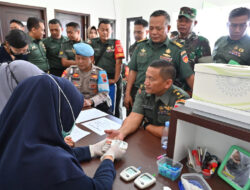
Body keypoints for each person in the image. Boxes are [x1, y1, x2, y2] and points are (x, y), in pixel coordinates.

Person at [0, 74, 126, 190]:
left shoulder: (10, 137)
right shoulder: (55, 165)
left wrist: (91, 149)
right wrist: (109, 157)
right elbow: (97, 187)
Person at [124, 10, 194, 114]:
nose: (154, 32)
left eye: (159, 28)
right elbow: (133, 71)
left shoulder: (177, 50)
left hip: (162, 100)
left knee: (156, 127)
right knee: (132, 124)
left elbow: (189, 76)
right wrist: (127, 93)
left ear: (168, 28)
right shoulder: (140, 46)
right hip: (138, 95)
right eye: (151, 28)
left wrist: (201, 102)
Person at [106, 59, 190, 140]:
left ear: (167, 83)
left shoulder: (181, 99)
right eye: (146, 77)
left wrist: (146, 125)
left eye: (151, 79)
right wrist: (121, 132)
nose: (146, 82)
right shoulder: (144, 91)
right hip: (146, 140)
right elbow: (134, 117)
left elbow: (172, 132)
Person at [89, 19, 125, 118]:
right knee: (99, 102)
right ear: (98, 30)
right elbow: (90, 60)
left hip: (113, 77)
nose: (105, 32)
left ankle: (118, 124)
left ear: (111, 30)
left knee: (116, 104)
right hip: (98, 77)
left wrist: (115, 79)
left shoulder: (116, 42)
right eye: (102, 30)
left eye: (107, 30)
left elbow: (119, 63)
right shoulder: (92, 42)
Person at [62, 42, 111, 114]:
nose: (80, 61)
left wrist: (90, 101)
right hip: (76, 105)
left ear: (91, 58)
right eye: (77, 58)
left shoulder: (100, 73)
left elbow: (104, 94)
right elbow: (61, 88)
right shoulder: (70, 71)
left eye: (83, 59)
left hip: (96, 106)